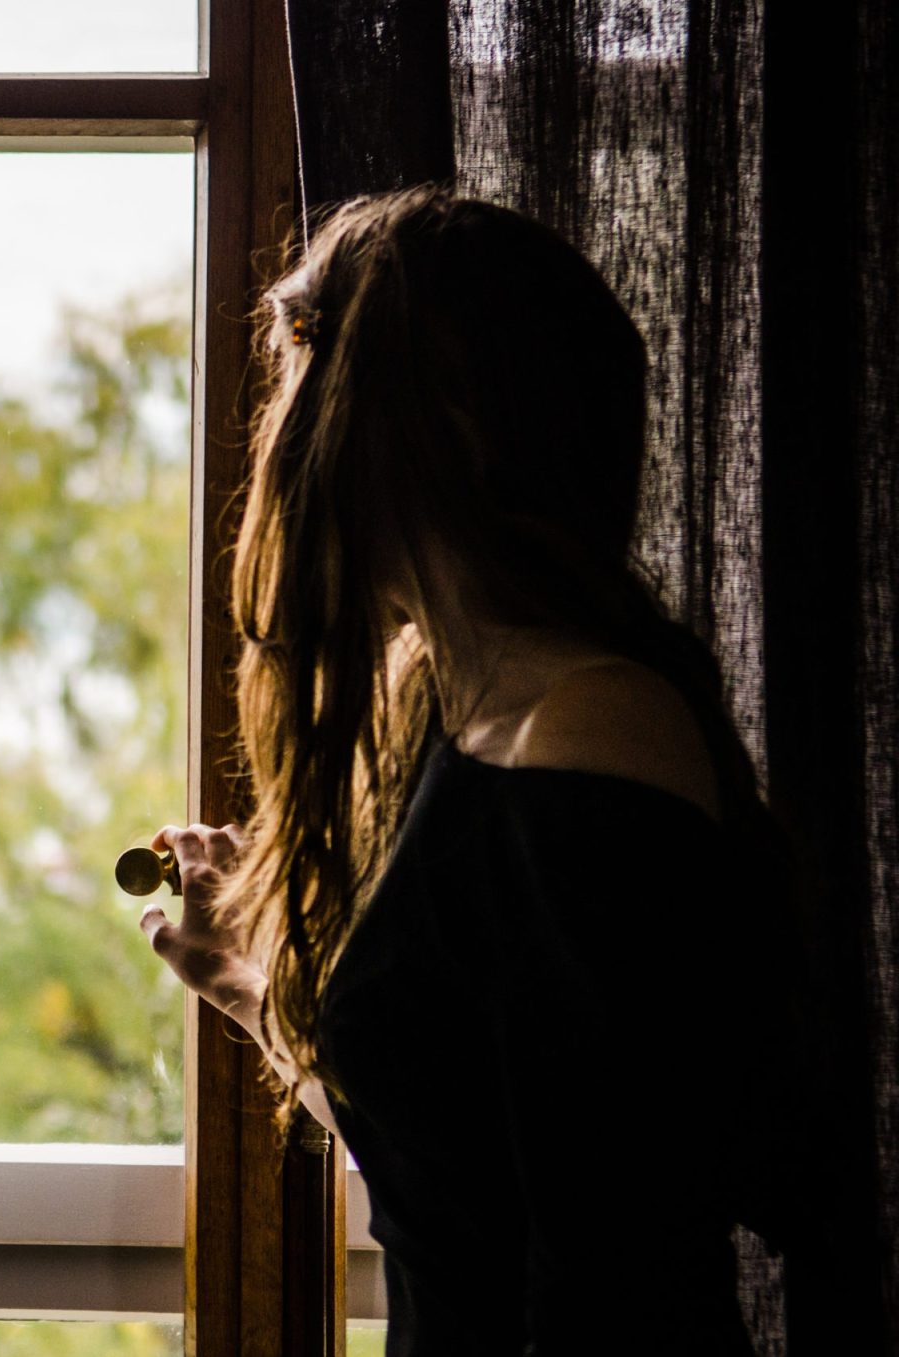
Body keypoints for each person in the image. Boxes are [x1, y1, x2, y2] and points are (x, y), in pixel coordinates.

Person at [138, 187, 800, 1354]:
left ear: (426, 417)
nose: (286, 428)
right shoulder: (455, 719)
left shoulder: (591, 732)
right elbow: (459, 1179)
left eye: (311, 368)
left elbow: (608, 1281)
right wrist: (247, 984)